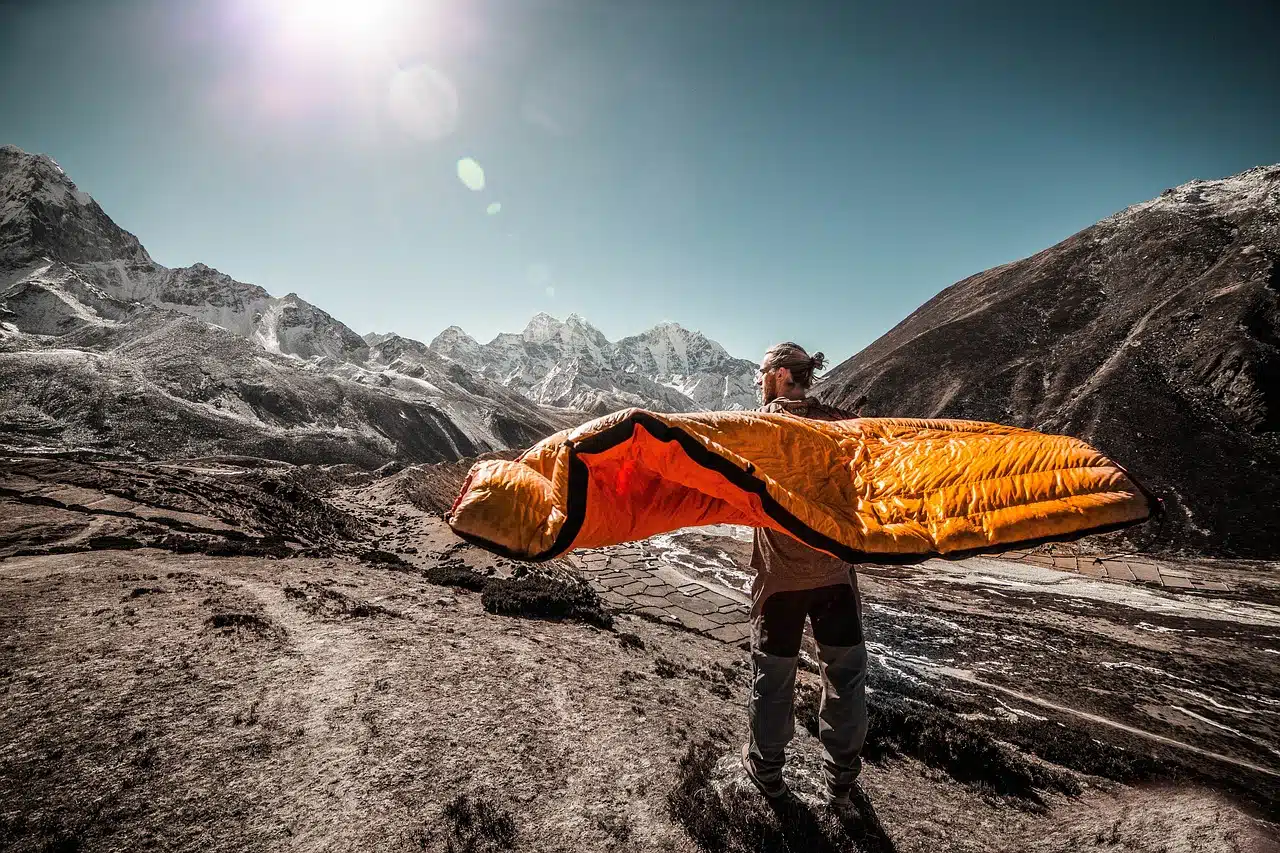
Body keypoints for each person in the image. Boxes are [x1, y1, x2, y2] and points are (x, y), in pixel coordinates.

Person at [741, 341, 867, 809]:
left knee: (773, 679)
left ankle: (768, 772)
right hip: (836, 576)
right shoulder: (842, 427)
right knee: (846, 676)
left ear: (776, 376)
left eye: (760, 376)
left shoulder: (758, 429)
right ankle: (841, 779)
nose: (758, 385)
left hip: (779, 582)